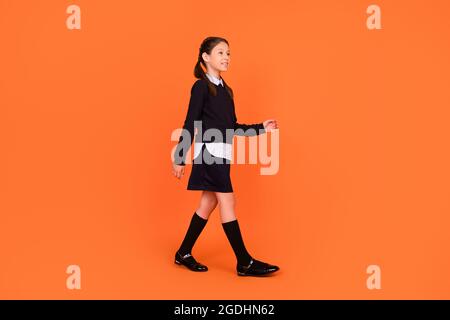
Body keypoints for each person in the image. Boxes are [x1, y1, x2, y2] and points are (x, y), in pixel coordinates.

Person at [172, 36, 280, 276]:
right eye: (221, 53)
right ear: (206, 57)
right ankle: (244, 262)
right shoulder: (201, 86)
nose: (226, 57)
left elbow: (232, 127)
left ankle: (183, 252)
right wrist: (180, 157)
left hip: (222, 154)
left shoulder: (226, 90)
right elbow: (190, 122)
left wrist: (261, 128)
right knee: (228, 202)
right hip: (209, 154)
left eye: (228, 53)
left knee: (207, 203)